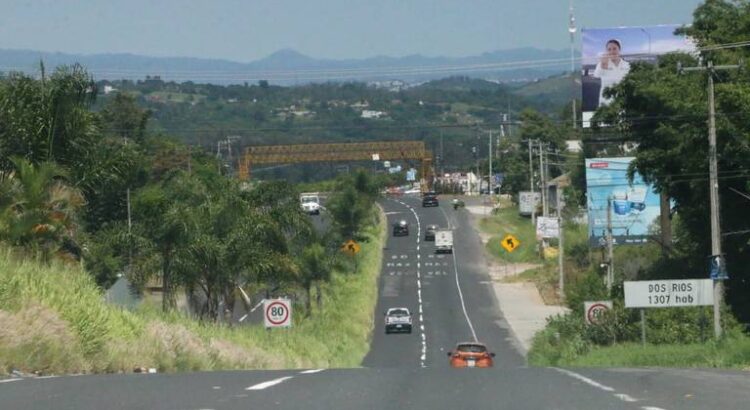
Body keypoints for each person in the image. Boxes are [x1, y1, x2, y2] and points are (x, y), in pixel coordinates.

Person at [593, 39, 630, 106]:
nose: (612, 51)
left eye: (614, 48)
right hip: (606, 101)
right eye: (609, 49)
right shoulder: (602, 63)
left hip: (622, 102)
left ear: (619, 50)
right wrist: (603, 65)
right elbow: (596, 75)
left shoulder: (627, 65)